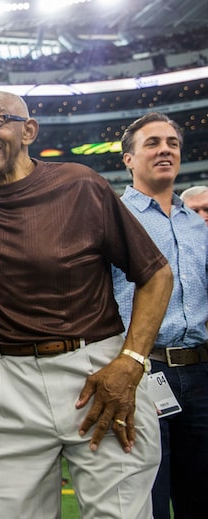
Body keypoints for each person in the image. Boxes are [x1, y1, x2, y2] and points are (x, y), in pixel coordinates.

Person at [0, 90, 173, 519]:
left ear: (29, 130)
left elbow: (156, 274)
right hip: (5, 383)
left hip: (98, 373)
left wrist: (130, 362)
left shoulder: (80, 184)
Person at [111, 112, 208, 519]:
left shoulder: (198, 226)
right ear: (129, 159)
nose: (165, 149)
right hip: (142, 372)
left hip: (202, 373)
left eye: (172, 143)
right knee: (147, 499)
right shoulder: (112, 217)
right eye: (151, 143)